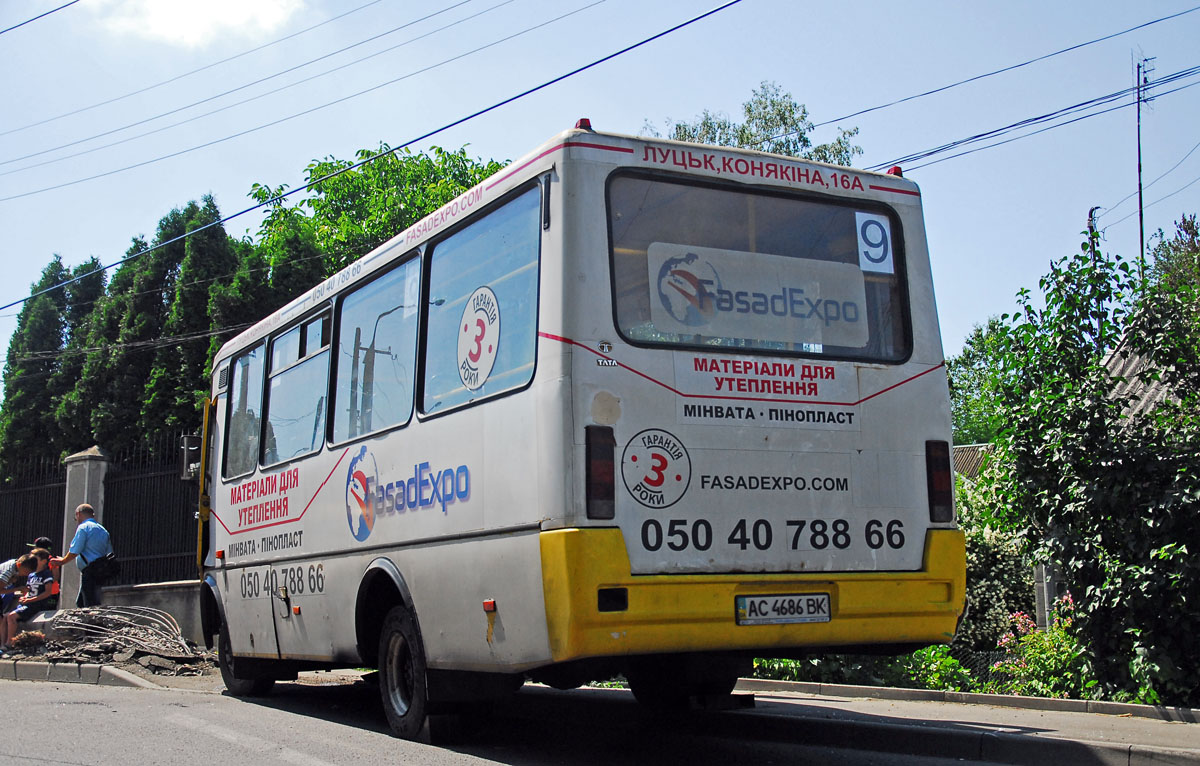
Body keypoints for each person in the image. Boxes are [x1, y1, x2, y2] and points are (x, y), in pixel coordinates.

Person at [51, 503, 113, 608]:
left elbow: (75, 550)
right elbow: (109, 552)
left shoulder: (83, 528)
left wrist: (62, 561)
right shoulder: (103, 530)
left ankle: (91, 622)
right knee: (82, 602)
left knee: (89, 604)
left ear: (78, 514)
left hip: (89, 570)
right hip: (101, 570)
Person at [4, 548, 56, 643]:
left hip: (37, 604)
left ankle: (9, 643)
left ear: (43, 561)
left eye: (35, 559)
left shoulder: (46, 574)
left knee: (12, 616)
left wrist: (30, 600)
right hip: (27, 603)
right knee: (4, 616)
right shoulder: (31, 575)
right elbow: (28, 590)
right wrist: (25, 596)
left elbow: (48, 592)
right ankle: (2, 643)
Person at [0, 554, 38, 650]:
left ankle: (2, 645)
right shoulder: (8, 572)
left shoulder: (14, 564)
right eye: (25, 571)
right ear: (20, 565)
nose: (25, 575)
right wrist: (17, 589)